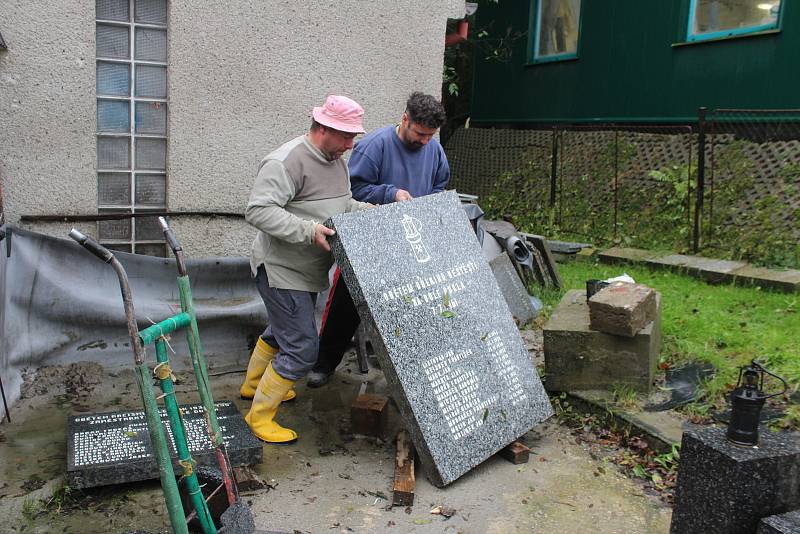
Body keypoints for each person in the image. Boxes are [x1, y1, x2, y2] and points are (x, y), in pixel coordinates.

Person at [240, 95, 371, 443]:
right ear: (324, 128)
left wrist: (369, 214)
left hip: (310, 270)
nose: (350, 144)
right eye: (345, 136)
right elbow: (258, 211)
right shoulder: (285, 161)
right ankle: (259, 417)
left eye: (353, 137)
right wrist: (308, 230)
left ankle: (254, 385)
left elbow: (341, 204)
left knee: (283, 329)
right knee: (301, 348)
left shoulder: (337, 161)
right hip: (281, 270)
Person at [307, 91, 449, 388]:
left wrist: (430, 207)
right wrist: (390, 193)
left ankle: (413, 373)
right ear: (405, 119)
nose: (425, 141)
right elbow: (352, 192)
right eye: (420, 133)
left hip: (411, 244)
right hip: (369, 244)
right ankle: (324, 364)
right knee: (344, 307)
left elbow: (440, 185)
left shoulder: (434, 150)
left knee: (413, 306)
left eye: (430, 135)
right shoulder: (374, 146)